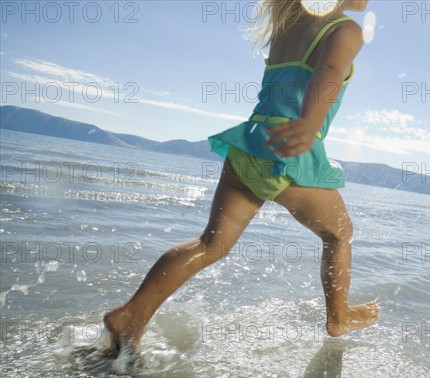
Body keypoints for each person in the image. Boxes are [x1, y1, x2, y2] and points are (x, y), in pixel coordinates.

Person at [104, 0, 380, 353]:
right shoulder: (346, 29)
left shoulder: (289, 26)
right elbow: (328, 70)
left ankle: (131, 315)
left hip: (248, 144)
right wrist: (310, 124)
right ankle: (339, 316)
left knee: (210, 245)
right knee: (339, 234)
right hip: (287, 150)